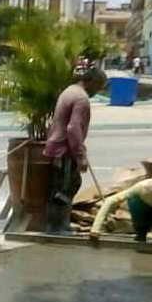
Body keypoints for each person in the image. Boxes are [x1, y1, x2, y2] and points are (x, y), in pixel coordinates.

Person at [44, 64, 108, 234]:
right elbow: (73, 128)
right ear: (92, 81)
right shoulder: (81, 98)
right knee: (66, 186)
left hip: (56, 146)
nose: (98, 91)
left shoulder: (70, 90)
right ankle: (56, 227)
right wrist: (80, 156)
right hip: (64, 149)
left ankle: (57, 225)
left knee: (61, 186)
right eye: (99, 86)